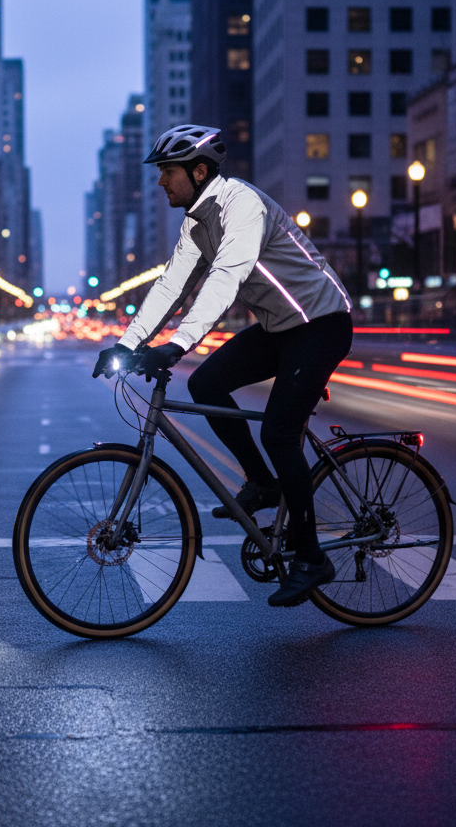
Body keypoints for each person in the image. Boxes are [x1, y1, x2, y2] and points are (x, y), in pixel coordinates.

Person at [93, 124, 354, 607]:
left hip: (321, 323)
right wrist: (125, 343)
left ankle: (312, 557)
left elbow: (226, 278)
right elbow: (172, 286)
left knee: (279, 431)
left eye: (167, 172)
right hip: (281, 329)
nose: (160, 182)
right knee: (208, 383)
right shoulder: (196, 222)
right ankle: (261, 482)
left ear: (198, 170)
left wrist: (179, 345)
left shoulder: (242, 206)